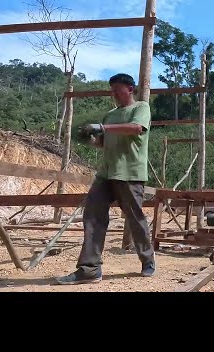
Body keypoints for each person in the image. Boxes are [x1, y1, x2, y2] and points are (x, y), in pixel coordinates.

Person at [56, 73, 156, 285]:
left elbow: (136, 129)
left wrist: (102, 128)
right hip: (106, 174)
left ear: (129, 89)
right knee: (92, 214)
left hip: (129, 173)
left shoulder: (140, 108)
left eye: (117, 90)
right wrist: (88, 139)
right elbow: (103, 142)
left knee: (135, 218)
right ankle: (90, 269)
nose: (114, 94)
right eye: (111, 90)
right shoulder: (110, 115)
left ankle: (147, 260)